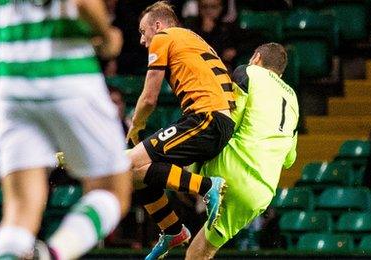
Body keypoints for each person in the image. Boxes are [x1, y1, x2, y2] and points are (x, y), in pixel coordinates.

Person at [0, 0, 131, 259]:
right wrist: (106, 35)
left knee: (20, 209)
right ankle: (53, 254)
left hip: (13, 84)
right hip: (69, 78)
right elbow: (84, 5)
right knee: (112, 191)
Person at [127, 1, 235, 258]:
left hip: (206, 119)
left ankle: (208, 186)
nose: (143, 41)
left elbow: (150, 98)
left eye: (143, 32)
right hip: (218, 122)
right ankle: (173, 230)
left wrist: (135, 125)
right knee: (135, 174)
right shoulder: (191, 38)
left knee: (126, 163)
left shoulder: (164, 37)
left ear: (158, 25)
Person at [182, 43, 299, 259]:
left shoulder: (248, 72)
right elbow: (290, 160)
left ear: (256, 57)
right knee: (200, 253)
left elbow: (227, 124)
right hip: (260, 193)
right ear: (280, 73)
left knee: (161, 160)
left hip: (228, 169)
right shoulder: (293, 99)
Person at [184, 0, 239, 68]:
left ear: (221, 7)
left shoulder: (227, 27)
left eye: (213, 7)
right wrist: (205, 32)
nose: (208, 11)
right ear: (198, 7)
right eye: (204, 7)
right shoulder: (190, 25)